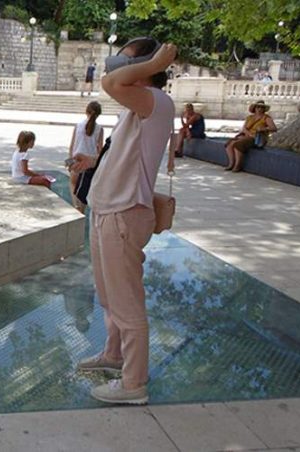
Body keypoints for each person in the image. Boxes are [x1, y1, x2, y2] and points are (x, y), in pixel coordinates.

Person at [70, 37, 177, 405]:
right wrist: (92, 164)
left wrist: (156, 63)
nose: (117, 66)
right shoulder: (135, 107)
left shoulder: (157, 101)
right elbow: (124, 155)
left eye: (126, 61)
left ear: (146, 66)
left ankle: (133, 384)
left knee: (127, 303)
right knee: (109, 296)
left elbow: (110, 82)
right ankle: (114, 354)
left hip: (124, 214)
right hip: (106, 211)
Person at [68, 101, 103, 212]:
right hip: (89, 164)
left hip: (76, 160)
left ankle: (76, 206)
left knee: (73, 183)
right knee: (84, 190)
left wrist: (69, 162)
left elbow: (72, 146)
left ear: (86, 111)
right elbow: (100, 149)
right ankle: (81, 209)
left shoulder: (78, 126)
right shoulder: (100, 129)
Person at [223, 100, 276, 172]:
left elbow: (274, 128)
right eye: (258, 107)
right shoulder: (250, 117)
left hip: (257, 139)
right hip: (247, 136)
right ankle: (231, 163)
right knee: (229, 144)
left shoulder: (266, 118)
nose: (259, 109)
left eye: (261, 107)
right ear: (254, 108)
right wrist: (248, 133)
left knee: (238, 145)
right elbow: (244, 128)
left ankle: (238, 165)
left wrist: (263, 129)